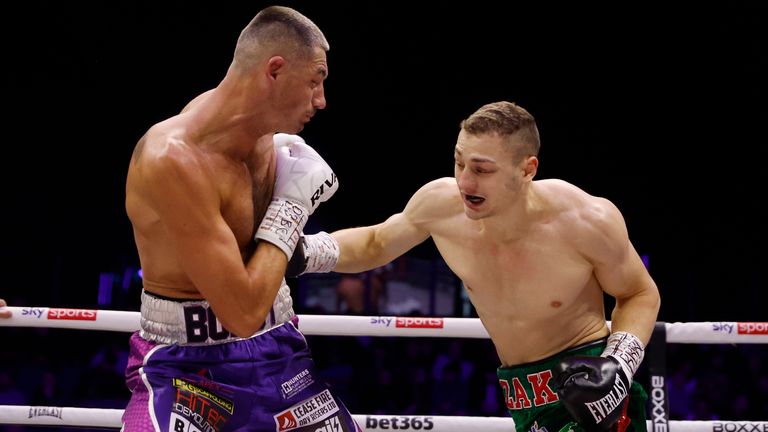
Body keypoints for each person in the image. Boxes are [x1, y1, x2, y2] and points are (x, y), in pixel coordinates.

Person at [289, 101, 661, 432]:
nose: (465, 181)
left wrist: (618, 366)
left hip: (589, 385)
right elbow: (377, 243)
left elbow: (639, 292)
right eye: (459, 161)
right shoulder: (441, 205)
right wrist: (304, 251)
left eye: (482, 170)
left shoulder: (584, 220)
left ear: (527, 169)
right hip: (521, 396)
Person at [123, 6, 359, 432]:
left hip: (280, 354)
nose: (322, 100)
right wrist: (292, 205)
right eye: (315, 81)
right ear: (274, 71)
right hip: (185, 369)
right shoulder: (172, 159)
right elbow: (242, 311)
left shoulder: (262, 135)